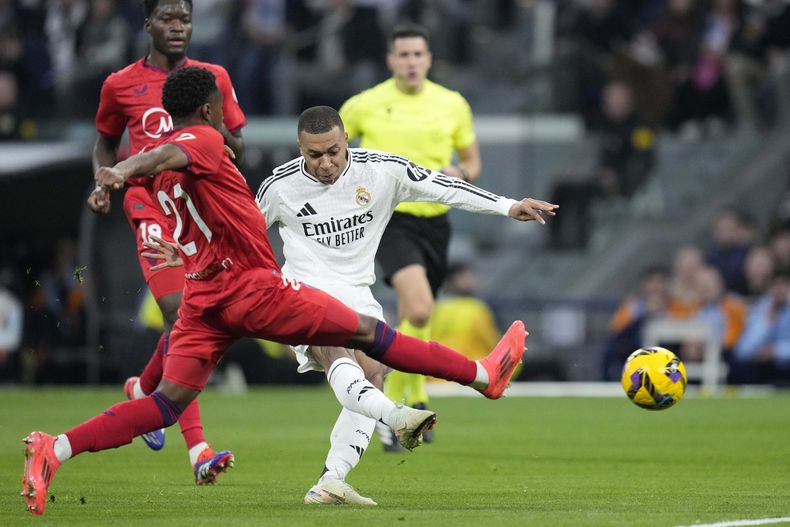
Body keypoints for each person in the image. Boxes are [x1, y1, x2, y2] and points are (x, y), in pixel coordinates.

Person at [21, 66, 546, 516]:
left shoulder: (173, 166)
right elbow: (167, 158)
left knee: (167, 404)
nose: (229, 117)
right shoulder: (202, 141)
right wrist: (118, 170)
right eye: (222, 108)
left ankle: (56, 448)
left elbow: (203, 208)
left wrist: (164, 224)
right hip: (252, 289)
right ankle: (481, 376)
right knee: (367, 333)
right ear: (209, 108)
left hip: (205, 295)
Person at [254, 105, 555, 505]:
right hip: (305, 289)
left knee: (375, 372)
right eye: (314, 155)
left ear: (346, 141)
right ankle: (398, 417)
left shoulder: (382, 170)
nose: (325, 163)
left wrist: (506, 205)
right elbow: (239, 233)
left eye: (333, 152)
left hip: (358, 292)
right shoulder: (279, 186)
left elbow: (443, 187)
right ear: (299, 149)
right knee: (334, 349)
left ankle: (332, 479)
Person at [86, 0, 245, 484]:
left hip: (196, 209)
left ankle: (144, 387)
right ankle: (198, 449)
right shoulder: (119, 84)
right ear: (148, 24)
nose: (178, 28)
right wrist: (101, 182)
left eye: (186, 19)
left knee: (201, 316)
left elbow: (238, 146)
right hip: (148, 204)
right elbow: (105, 143)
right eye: (169, 19)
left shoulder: (212, 77)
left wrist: (211, 134)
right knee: (180, 310)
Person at [339, 24, 482, 447]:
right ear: (390, 60)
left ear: (429, 59)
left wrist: (462, 173)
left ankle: (401, 404)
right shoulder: (365, 104)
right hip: (389, 219)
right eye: (403, 55)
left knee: (417, 311)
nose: (411, 62)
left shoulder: (452, 104)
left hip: (436, 220)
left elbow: (472, 160)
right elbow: (331, 153)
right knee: (419, 309)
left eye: (417, 54)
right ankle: (406, 401)